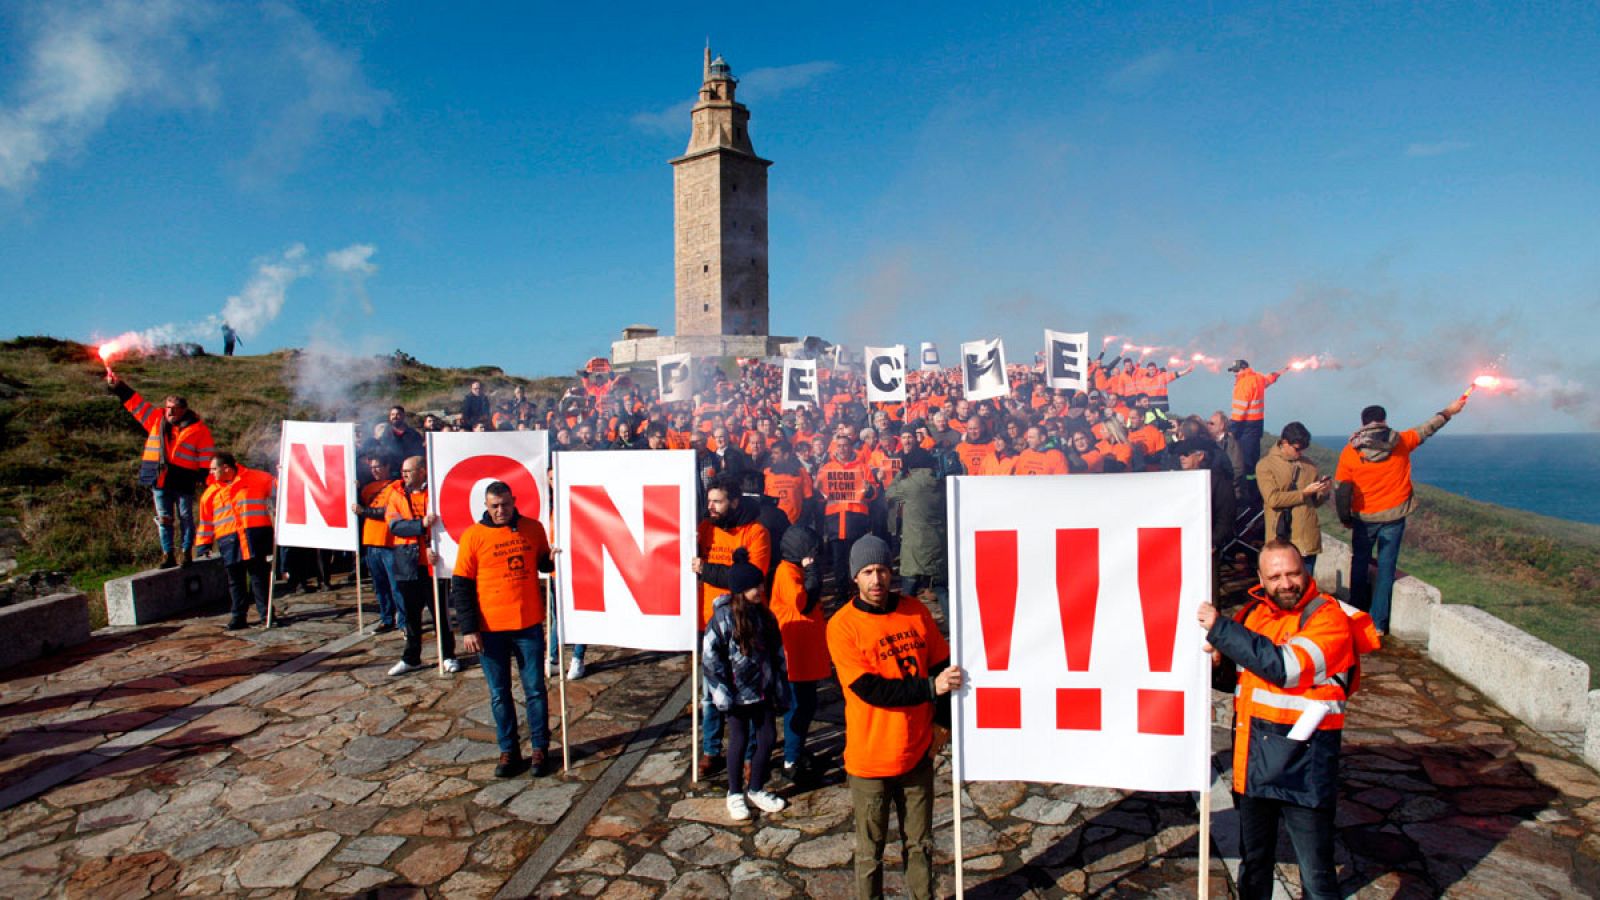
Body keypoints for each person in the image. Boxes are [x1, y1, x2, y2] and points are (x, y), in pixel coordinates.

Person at [1197, 541, 1378, 900]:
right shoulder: (1252, 614)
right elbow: (1238, 679)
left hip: (1305, 766)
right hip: (1254, 764)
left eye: (1293, 573)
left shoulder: (1329, 618)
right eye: (1275, 576)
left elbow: (1285, 668)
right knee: (1254, 865)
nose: (1286, 583)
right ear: (1261, 579)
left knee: (1316, 876)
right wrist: (1219, 662)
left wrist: (1221, 628)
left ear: (1305, 570)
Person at [827, 536, 964, 900]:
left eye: (883, 570)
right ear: (855, 577)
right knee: (870, 853)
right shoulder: (842, 626)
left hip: (917, 754)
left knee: (920, 844)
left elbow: (944, 671)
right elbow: (871, 689)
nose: (877, 580)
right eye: (868, 571)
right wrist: (929, 689)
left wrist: (944, 725)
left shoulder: (915, 611)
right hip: (870, 761)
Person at [1334, 394, 1468, 634]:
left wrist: (1345, 519)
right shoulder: (1401, 442)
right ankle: (1378, 624)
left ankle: (1355, 615)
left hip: (1364, 518)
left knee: (1360, 563)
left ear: (1363, 423)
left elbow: (1343, 491)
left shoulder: (1350, 452)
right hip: (1394, 517)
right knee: (1386, 569)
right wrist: (1449, 411)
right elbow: (1428, 428)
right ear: (1383, 421)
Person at [451, 481, 556, 778]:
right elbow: (461, 586)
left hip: (528, 624)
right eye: (494, 506)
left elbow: (543, 565)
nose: (500, 511)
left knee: (535, 689)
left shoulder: (533, 528)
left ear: (514, 501)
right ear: (486, 506)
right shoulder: (473, 536)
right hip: (490, 628)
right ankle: (508, 749)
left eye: (505, 505)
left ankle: (539, 748)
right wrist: (469, 629)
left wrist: (553, 558)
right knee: (499, 693)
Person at [694, 473, 773, 774]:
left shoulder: (756, 532)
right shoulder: (704, 529)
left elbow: (750, 578)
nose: (711, 507)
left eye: (717, 501)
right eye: (709, 500)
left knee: (749, 693)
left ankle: (751, 754)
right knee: (709, 693)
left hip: (744, 622)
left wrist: (706, 570)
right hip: (709, 621)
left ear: (734, 502)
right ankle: (711, 749)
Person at [702, 550, 790, 821]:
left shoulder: (766, 617)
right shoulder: (722, 619)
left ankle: (756, 788)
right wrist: (722, 693)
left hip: (762, 690)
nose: (760, 590)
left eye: (761, 584)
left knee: (767, 739)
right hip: (735, 694)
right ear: (741, 590)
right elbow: (710, 658)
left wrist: (779, 685)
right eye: (755, 586)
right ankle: (734, 792)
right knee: (738, 740)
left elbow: (777, 653)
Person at [106, 372, 216, 568]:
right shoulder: (157, 420)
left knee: (185, 517)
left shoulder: (199, 429)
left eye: (174, 409)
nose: (169, 412)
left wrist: (204, 477)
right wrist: (119, 387)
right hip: (160, 477)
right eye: (167, 407)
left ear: (184, 410)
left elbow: (206, 455)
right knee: (164, 518)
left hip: (183, 479)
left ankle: (186, 552)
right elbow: (136, 404)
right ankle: (167, 554)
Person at [384, 456, 459, 675]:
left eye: (409, 470)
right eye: (403, 470)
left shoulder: (435, 494)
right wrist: (420, 524)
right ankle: (411, 657)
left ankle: (448, 655)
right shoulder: (396, 494)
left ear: (422, 471)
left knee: (440, 613)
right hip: (406, 561)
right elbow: (395, 525)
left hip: (433, 563)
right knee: (411, 613)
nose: (404, 474)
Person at [769, 526, 827, 784]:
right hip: (795, 655)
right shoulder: (787, 573)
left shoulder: (791, 570)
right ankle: (791, 759)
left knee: (806, 704)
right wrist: (813, 571)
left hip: (803, 652)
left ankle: (797, 751)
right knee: (798, 706)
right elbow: (802, 602)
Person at [195, 452, 276, 629]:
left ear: (226, 468)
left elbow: (281, 489)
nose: (211, 473)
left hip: (254, 538)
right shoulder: (210, 494)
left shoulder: (258, 478)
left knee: (259, 577)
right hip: (229, 542)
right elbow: (206, 521)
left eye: (214, 469)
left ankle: (267, 614)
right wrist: (204, 544)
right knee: (235, 581)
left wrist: (283, 473)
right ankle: (238, 617)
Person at [1256, 422, 1330, 573]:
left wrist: (1323, 491)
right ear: (1284, 443)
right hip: (1281, 537)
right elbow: (1273, 499)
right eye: (1297, 449)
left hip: (1307, 539)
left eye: (1303, 449)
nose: (1300, 453)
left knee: (1306, 589)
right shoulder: (1265, 465)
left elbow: (1315, 502)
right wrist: (1304, 493)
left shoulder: (1309, 466)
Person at [884, 448, 948, 619]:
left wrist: (900, 474)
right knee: (942, 590)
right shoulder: (942, 483)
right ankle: (955, 628)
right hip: (938, 545)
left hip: (914, 547)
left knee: (909, 592)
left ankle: (905, 625)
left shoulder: (908, 485)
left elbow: (889, 494)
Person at [352, 456, 403, 633]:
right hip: (371, 541)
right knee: (380, 585)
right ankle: (386, 618)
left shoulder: (396, 486)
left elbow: (389, 512)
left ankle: (403, 622)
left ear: (387, 466)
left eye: (378, 466)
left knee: (396, 585)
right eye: (372, 467)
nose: (374, 470)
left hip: (389, 542)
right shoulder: (367, 488)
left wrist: (364, 511)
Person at [1227, 360, 1285, 475]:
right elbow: (1268, 380)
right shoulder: (1257, 377)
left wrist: (1231, 431)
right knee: (1253, 460)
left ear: (1243, 369)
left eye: (1236, 371)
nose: (1235, 374)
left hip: (1244, 428)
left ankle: (1247, 488)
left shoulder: (1243, 384)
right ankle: (1254, 486)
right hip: (1256, 427)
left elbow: (1239, 412)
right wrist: (1276, 374)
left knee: (1244, 462)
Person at [377, 406, 426, 473]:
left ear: (403, 416)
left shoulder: (413, 434)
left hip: (409, 471)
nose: (395, 417)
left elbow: (419, 454)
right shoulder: (385, 435)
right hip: (390, 472)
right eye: (392, 414)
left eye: (398, 414)